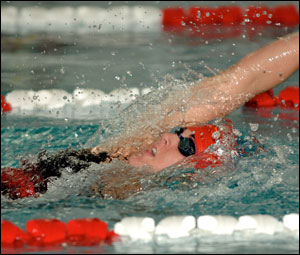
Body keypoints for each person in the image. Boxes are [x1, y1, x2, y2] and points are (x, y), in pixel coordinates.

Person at [1, 32, 299, 200]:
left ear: (199, 171)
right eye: (181, 131)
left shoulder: (140, 202)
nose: (169, 136)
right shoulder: (119, 152)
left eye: (186, 146)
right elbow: (238, 82)